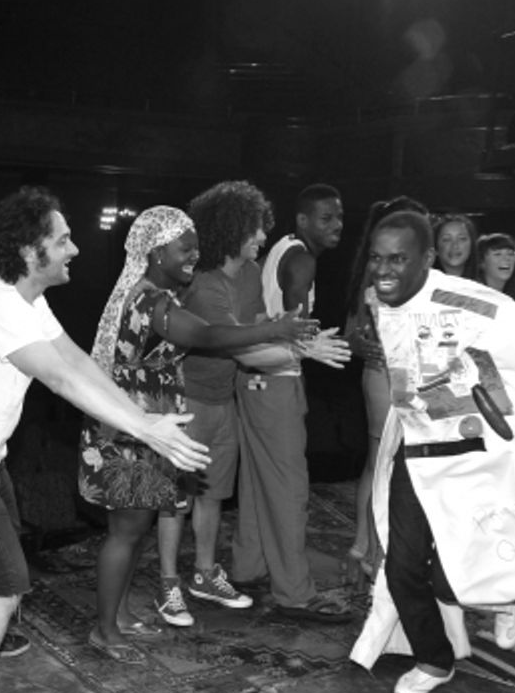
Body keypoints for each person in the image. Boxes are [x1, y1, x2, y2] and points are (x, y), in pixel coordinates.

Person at [0, 189, 212, 693]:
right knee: (9, 580)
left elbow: (77, 360)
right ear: (30, 252)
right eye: (62, 240)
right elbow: (61, 380)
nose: (75, 249)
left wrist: (140, 415)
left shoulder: (24, 298)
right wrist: (147, 431)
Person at [350, 210, 515, 693]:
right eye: (377, 258)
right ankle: (434, 658)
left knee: (455, 577)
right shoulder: (378, 297)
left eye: (397, 260)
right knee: (403, 565)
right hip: (415, 448)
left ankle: (506, 595)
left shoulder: (461, 298)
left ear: (426, 260)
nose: (383, 270)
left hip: (474, 456)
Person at [81, 205, 332, 640]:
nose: (195, 254)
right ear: (158, 253)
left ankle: (118, 616)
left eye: (197, 246)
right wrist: (276, 330)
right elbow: (207, 336)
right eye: (186, 248)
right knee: (125, 532)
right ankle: (105, 631)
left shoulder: (157, 294)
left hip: (149, 426)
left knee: (136, 527)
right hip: (132, 429)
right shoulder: (150, 300)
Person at [159, 182, 351, 627]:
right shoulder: (206, 286)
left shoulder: (247, 272)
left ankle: (208, 574)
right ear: (231, 231)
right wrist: (302, 348)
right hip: (190, 400)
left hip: (226, 396)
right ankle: (170, 584)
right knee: (178, 497)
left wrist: (283, 328)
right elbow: (242, 348)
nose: (262, 237)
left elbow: (257, 324)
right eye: (254, 230)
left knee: (213, 493)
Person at [231, 183, 352, 622]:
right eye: (326, 217)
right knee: (289, 490)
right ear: (302, 220)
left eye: (339, 217)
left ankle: (250, 565)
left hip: (253, 381)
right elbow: (298, 329)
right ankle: (294, 593)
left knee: (257, 482)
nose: (336, 225)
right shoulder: (301, 258)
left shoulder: (282, 248)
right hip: (277, 381)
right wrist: (311, 344)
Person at [341, 196, 429, 586]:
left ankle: (368, 547)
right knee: (383, 464)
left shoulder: (424, 279)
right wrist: (366, 344)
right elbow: (355, 333)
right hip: (383, 377)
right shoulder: (381, 282)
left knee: (385, 463)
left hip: (400, 377)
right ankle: (370, 548)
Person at [432, 213, 480, 280]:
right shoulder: (422, 285)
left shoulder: (482, 287)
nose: (455, 246)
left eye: (462, 239)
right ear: (436, 247)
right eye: (446, 239)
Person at [475, 232, 515, 298]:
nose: (506, 259)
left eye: (510, 254)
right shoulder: (474, 295)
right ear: (482, 262)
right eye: (497, 254)